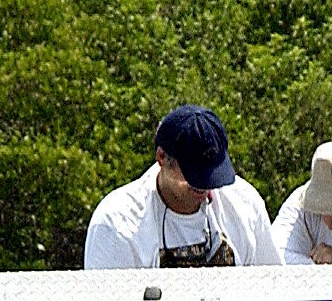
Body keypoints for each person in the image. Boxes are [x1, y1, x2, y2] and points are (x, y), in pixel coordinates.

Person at [82, 103, 279, 270]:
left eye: (213, 174)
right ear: (161, 158)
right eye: (194, 174)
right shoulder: (116, 225)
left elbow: (275, 292)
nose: (206, 185)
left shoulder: (246, 204)